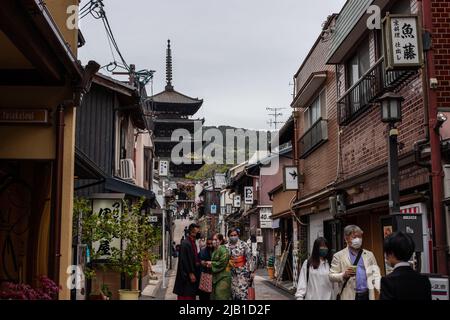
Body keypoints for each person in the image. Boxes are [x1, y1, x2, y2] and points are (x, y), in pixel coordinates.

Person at [329, 225, 381, 300]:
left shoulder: (369, 255)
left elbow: (376, 275)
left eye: (360, 237)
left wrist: (382, 291)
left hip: (366, 294)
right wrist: (343, 275)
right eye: (354, 237)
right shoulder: (339, 256)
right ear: (346, 239)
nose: (358, 239)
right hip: (349, 295)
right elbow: (331, 276)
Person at [380, 231, 431, 300]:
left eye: (386, 253)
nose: (385, 257)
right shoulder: (424, 280)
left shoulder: (388, 281)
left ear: (391, 254)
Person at [173, 223, 202, 300]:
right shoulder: (185, 243)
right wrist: (190, 273)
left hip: (192, 274)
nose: (198, 234)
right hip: (186, 276)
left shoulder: (193, 243)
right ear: (191, 232)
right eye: (197, 232)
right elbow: (184, 260)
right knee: (186, 295)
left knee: (191, 295)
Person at [226, 228, 254, 300]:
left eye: (235, 235)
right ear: (228, 236)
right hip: (231, 273)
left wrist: (251, 271)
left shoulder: (244, 245)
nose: (233, 237)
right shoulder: (226, 247)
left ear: (238, 235)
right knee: (233, 294)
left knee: (243, 293)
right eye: (231, 235)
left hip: (243, 273)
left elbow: (250, 258)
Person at [206, 233, 231, 300]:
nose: (213, 241)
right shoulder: (215, 250)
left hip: (223, 277)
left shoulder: (223, 250)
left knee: (221, 296)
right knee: (214, 296)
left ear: (220, 241)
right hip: (216, 277)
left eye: (215, 239)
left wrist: (212, 264)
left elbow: (222, 263)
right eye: (213, 239)